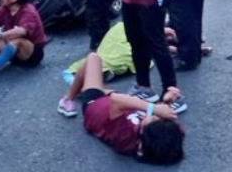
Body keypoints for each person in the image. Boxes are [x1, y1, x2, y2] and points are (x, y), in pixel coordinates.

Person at [56, 53, 185, 165]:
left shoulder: (125, 139)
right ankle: (88, 86)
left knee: (93, 59)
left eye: (153, 120)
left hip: (94, 103)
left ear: (140, 148)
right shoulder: (151, 138)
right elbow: (163, 124)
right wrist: (168, 101)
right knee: (100, 84)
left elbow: (117, 100)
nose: (153, 117)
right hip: (115, 101)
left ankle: (68, 98)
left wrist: (154, 108)